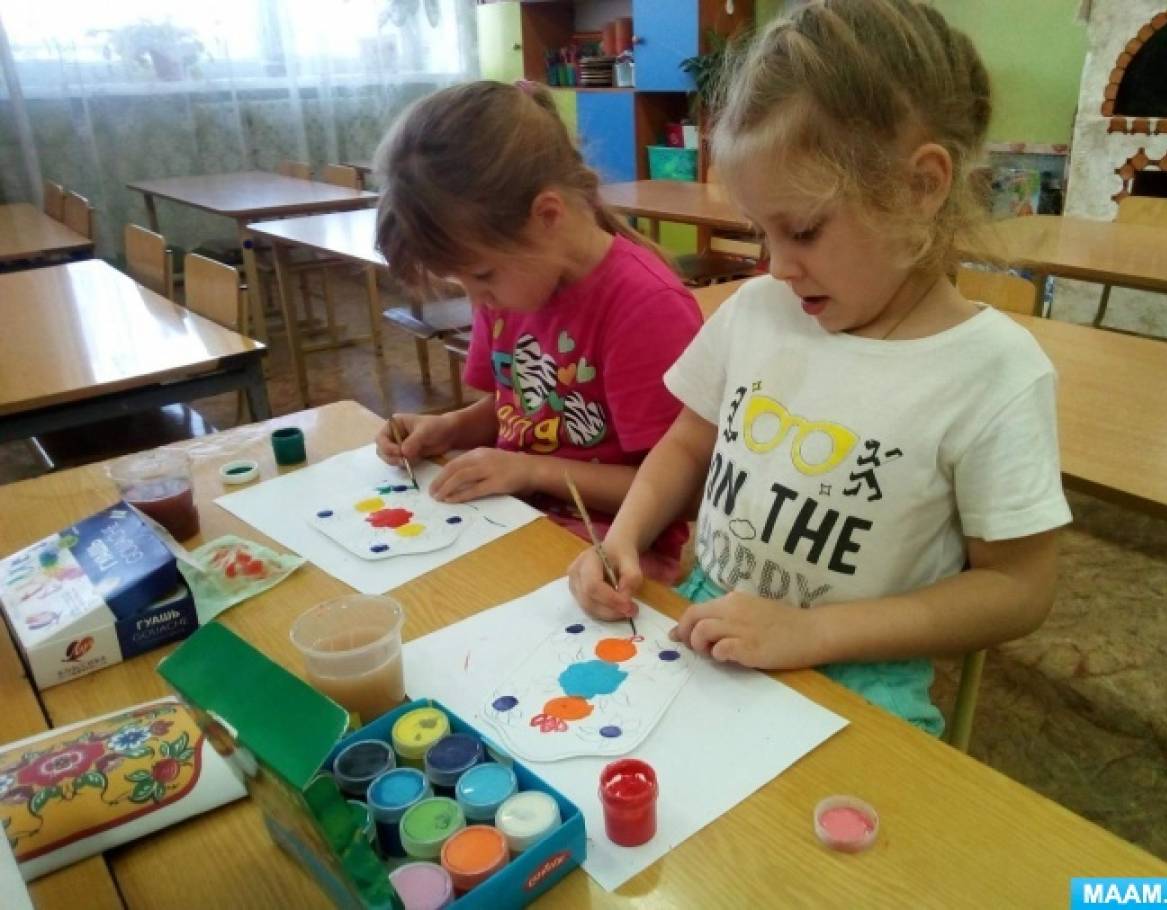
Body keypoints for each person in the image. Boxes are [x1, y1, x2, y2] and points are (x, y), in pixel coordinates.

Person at [568, 0, 1072, 734]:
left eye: (802, 230)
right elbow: (685, 445)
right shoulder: (757, 310)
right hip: (706, 623)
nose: (776, 265)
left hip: (855, 676)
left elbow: (1018, 589)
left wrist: (813, 632)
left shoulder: (992, 372)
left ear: (920, 187)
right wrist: (624, 536)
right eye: (761, 232)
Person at [374, 80, 703, 581]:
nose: (477, 299)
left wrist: (531, 470)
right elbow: (519, 408)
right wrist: (449, 428)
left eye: (482, 275)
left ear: (547, 217)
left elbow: (683, 489)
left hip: (611, 555)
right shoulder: (515, 283)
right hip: (512, 519)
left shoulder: (645, 308)